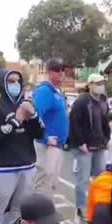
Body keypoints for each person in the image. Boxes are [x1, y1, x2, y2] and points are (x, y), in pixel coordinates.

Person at [0, 71, 45, 224]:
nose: (15, 84)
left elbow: (39, 134)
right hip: (4, 168)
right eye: (11, 81)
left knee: (19, 209)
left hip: (27, 165)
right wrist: (16, 120)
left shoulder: (27, 105)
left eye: (18, 81)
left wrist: (32, 116)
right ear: (3, 84)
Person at [69, 73, 110, 219]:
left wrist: (106, 140)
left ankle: (99, 204)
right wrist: (81, 143)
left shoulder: (103, 101)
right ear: (90, 84)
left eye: (102, 83)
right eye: (98, 83)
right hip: (84, 146)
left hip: (99, 145)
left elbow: (105, 123)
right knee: (83, 178)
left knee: (100, 177)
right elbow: (74, 123)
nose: (101, 86)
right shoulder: (82, 101)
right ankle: (81, 207)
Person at [32, 58, 69, 198]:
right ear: (48, 72)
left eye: (62, 70)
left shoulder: (57, 92)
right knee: (43, 182)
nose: (61, 72)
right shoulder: (45, 91)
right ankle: (39, 216)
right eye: (56, 69)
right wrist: (45, 137)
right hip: (47, 146)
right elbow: (34, 116)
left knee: (52, 183)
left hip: (58, 145)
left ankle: (47, 214)